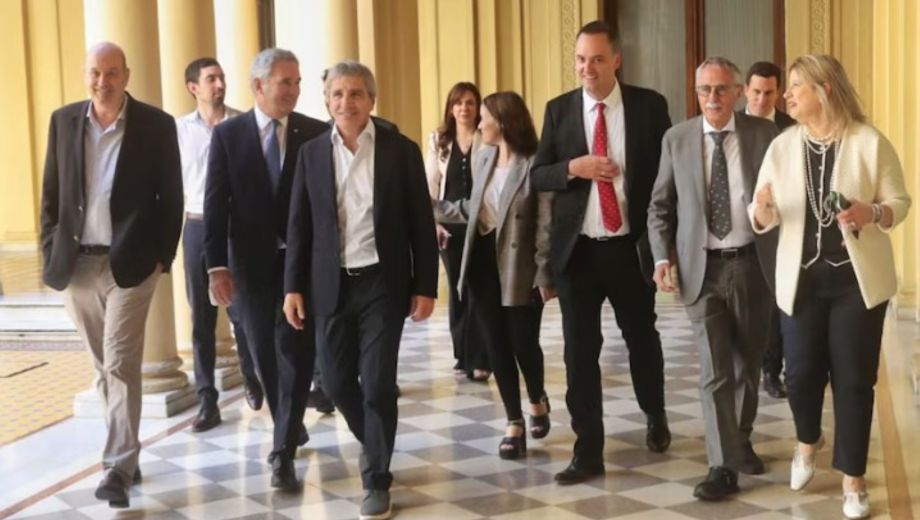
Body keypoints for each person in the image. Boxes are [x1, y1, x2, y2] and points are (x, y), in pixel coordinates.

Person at [750, 54, 911, 519]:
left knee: (854, 381)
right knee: (799, 376)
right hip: (800, 282)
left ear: (824, 88)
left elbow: (899, 202)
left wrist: (872, 213)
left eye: (796, 85)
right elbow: (762, 214)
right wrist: (761, 210)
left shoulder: (868, 141)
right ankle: (807, 441)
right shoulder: (781, 146)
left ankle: (853, 479)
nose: (787, 95)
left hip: (854, 286)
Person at [283, 60, 438, 520]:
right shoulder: (311, 154)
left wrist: (425, 286)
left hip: (381, 284)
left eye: (355, 94)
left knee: (375, 383)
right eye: (337, 95)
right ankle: (374, 444)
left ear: (371, 100)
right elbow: (300, 224)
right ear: (327, 101)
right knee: (333, 381)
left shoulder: (399, 150)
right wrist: (293, 286)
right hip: (329, 285)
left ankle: (376, 478)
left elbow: (420, 225)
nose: (345, 103)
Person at [39, 42, 183, 508]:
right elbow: (51, 194)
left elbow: (171, 196)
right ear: (87, 74)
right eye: (96, 73)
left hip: (131, 265)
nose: (103, 82)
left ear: (127, 74)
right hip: (77, 263)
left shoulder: (156, 125)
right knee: (103, 367)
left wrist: (162, 255)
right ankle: (127, 453)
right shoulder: (63, 121)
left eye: (112, 73)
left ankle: (116, 467)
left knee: (120, 361)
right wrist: (48, 249)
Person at [530, 20, 671, 485]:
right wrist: (575, 166)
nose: (586, 68)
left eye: (595, 59)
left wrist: (666, 248)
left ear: (615, 60)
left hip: (630, 250)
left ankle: (655, 413)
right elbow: (537, 175)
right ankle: (587, 450)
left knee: (641, 340)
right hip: (579, 254)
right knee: (578, 354)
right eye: (580, 59)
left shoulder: (650, 107)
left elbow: (666, 181)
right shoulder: (559, 110)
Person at [648, 57, 778, 501]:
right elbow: (660, 207)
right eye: (705, 90)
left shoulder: (764, 135)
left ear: (739, 92)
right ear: (696, 92)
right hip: (699, 268)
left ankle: (739, 438)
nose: (713, 99)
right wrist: (661, 259)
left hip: (752, 264)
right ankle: (722, 465)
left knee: (748, 362)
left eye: (722, 89)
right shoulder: (677, 139)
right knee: (715, 369)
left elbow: (786, 195)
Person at [204, 48, 327, 490]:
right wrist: (216, 266)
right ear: (259, 86)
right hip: (251, 267)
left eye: (297, 83)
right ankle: (289, 425)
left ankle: (282, 453)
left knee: (296, 353)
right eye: (285, 83)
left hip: (302, 266)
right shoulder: (228, 136)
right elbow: (215, 205)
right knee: (264, 355)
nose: (294, 91)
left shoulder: (316, 134)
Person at [434, 91, 553, 459]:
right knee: (496, 344)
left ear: (502, 122)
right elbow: (475, 208)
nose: (479, 123)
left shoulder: (535, 163)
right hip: (482, 263)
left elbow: (545, 225)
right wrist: (435, 209)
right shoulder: (484, 156)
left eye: (484, 117)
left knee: (523, 343)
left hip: (521, 268)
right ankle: (513, 422)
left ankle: (536, 397)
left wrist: (545, 274)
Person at [176, 57, 263, 432]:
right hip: (195, 226)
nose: (219, 84)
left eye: (222, 77)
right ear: (193, 87)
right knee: (202, 319)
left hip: (235, 229)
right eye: (211, 79)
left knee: (242, 313)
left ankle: (252, 376)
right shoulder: (179, 131)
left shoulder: (243, 124)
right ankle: (207, 399)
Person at [424, 82, 491, 382]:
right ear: (451, 108)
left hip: (481, 223)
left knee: (479, 288)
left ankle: (480, 357)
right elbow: (430, 185)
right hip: (448, 227)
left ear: (478, 108)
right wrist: (434, 224)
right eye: (459, 103)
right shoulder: (439, 140)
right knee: (457, 289)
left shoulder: (487, 137)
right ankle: (462, 355)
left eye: (470, 103)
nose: (464, 108)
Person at [743, 60, 795, 399]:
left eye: (769, 93)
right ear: (746, 90)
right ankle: (748, 364)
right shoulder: (730, 124)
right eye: (756, 92)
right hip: (738, 227)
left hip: (781, 226)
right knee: (748, 302)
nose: (762, 100)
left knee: (779, 301)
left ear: (779, 93)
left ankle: (772, 369)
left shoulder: (791, 128)